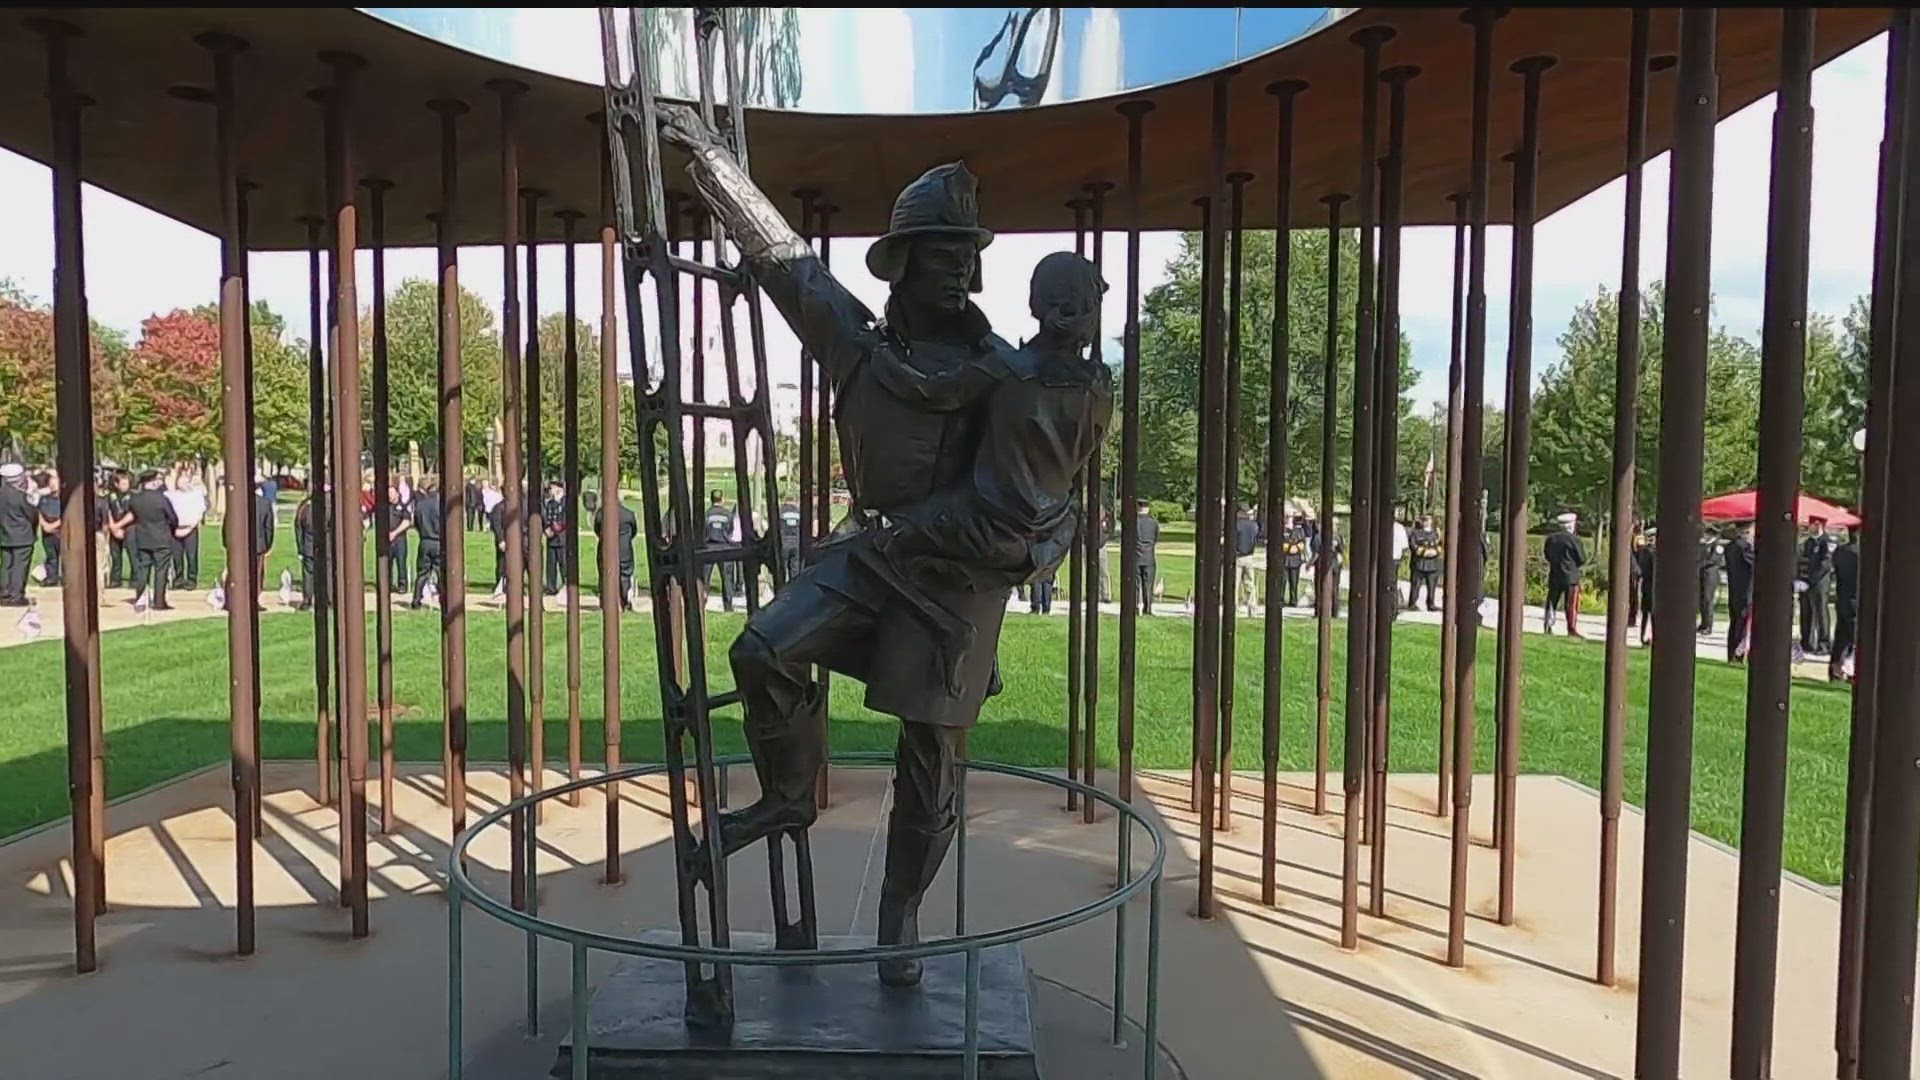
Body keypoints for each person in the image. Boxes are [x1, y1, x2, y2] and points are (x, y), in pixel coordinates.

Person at [659, 111, 1032, 987]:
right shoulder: (856, 345)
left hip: (957, 584)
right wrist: (707, 157)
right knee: (762, 650)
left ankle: (899, 913)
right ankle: (790, 792)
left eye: (969, 257)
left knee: (930, 759)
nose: (963, 272)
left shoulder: (1006, 377)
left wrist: (1019, 552)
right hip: (871, 557)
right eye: (944, 256)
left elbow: (1037, 496)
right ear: (902, 264)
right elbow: (781, 256)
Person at [129, 469, 180, 609]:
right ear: (151, 482)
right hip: (161, 538)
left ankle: (140, 599)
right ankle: (159, 602)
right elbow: (173, 518)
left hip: (143, 538)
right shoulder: (161, 499)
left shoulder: (135, 499)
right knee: (161, 570)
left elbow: (134, 515)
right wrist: (172, 530)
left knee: (143, 569)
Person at [585, 489, 638, 610]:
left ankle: (605, 601)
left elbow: (597, 530)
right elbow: (634, 531)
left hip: (605, 549)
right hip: (625, 550)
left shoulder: (600, 514)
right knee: (624, 575)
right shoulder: (629, 515)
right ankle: (624, 600)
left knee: (604, 574)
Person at [1542, 511, 1587, 637]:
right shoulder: (1574, 540)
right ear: (1571, 525)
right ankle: (1571, 629)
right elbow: (1582, 558)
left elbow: (1547, 555)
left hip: (1555, 574)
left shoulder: (1551, 539)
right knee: (1571, 605)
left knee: (1552, 602)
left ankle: (1548, 625)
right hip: (1571, 576)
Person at [165, 466, 208, 590]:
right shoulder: (171, 495)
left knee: (191, 555)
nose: (182, 482)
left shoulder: (195, 494)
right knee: (176, 556)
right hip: (175, 530)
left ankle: (191, 580)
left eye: (185, 479)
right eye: (180, 479)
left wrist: (189, 528)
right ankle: (178, 579)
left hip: (190, 529)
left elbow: (200, 511)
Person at [1798, 517, 1835, 656]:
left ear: (1819, 525)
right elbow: (1802, 560)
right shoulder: (1808, 542)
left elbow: (1825, 564)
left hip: (1819, 584)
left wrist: (1811, 580)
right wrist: (1801, 578)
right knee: (1806, 613)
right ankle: (1806, 642)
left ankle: (1823, 644)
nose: (1809, 527)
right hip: (1806, 583)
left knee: (1820, 613)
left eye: (1812, 525)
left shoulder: (1827, 542)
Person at [0, 463, 36, 606]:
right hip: (22, 536)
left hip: (5, 535)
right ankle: (16, 595)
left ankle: (4, 593)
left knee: (6, 565)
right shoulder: (21, 496)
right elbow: (32, 514)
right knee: (19, 566)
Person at [1831, 525, 1860, 681]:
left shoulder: (1840, 551)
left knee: (1841, 636)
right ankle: (1850, 670)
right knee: (1854, 638)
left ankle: (1835, 669)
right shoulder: (1861, 554)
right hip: (1856, 598)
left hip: (1842, 597)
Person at [1724, 521, 1756, 663]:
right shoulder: (1742, 548)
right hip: (1744, 592)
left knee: (1736, 623)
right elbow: (1753, 564)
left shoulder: (1731, 546)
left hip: (1736, 591)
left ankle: (1733, 653)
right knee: (1741, 624)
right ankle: (1737, 654)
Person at [411, 476, 444, 609]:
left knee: (422, 573)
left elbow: (416, 523)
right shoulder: (439, 505)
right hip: (437, 541)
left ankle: (416, 599)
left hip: (424, 540)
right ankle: (444, 598)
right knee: (440, 571)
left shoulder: (420, 505)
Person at [293, 485, 328, 610]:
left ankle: (307, 599)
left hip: (308, 547)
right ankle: (328, 599)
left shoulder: (304, 508)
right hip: (324, 547)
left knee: (309, 574)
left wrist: (301, 548)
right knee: (327, 572)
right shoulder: (326, 507)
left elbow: (298, 528)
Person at [703, 489, 738, 612]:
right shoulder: (728, 514)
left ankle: (702, 603)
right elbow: (730, 530)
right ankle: (728, 606)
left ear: (711, 499)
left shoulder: (706, 514)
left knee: (704, 578)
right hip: (724, 548)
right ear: (722, 499)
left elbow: (703, 531)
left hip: (709, 548)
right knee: (727, 578)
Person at [103, 469, 133, 588]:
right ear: (116, 484)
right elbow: (108, 510)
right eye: (123, 483)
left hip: (129, 528)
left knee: (133, 555)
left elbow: (132, 513)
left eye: (127, 483)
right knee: (115, 556)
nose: (126, 486)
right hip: (114, 528)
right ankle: (116, 579)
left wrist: (119, 526)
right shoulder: (110, 496)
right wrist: (113, 526)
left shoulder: (132, 496)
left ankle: (135, 579)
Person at [385, 479, 415, 595]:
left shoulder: (403, 506)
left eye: (392, 493)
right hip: (387, 539)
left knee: (401, 562)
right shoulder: (386, 507)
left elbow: (407, 521)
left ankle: (402, 585)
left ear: (397, 493)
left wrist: (395, 533)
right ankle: (388, 584)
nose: (390, 496)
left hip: (399, 539)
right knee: (387, 563)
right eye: (389, 493)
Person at [1407, 514, 1442, 611]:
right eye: (1424, 520)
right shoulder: (1416, 533)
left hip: (1433, 564)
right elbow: (1413, 546)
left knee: (1431, 586)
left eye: (1428, 520)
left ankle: (1431, 604)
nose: (1426, 522)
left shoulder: (1437, 533)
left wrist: (1435, 552)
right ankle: (1412, 603)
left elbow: (1441, 545)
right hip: (1419, 563)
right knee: (1416, 585)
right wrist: (1425, 552)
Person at [33, 470, 61, 587]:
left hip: (60, 532)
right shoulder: (44, 499)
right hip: (47, 533)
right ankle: (51, 578)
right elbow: (38, 512)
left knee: (65, 556)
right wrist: (44, 524)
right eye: (51, 483)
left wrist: (53, 526)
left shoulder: (64, 499)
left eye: (55, 482)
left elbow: (66, 515)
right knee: (51, 556)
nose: (53, 485)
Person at [543, 478, 570, 595]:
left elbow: (565, 520)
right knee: (551, 564)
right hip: (551, 539)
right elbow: (547, 518)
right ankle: (551, 587)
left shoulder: (566, 503)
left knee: (564, 563)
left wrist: (554, 530)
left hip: (562, 538)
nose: (550, 490)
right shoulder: (550, 503)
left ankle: (566, 584)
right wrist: (546, 529)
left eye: (552, 488)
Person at [1631, 525, 1656, 646]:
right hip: (1654, 585)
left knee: (1645, 613)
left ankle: (1642, 636)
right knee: (1653, 614)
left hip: (1646, 584)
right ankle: (1652, 637)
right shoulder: (1654, 554)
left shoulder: (1642, 552)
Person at [1133, 498, 1159, 616]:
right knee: (1148, 584)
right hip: (1149, 557)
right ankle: (1147, 608)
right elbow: (1155, 539)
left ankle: (1134, 607)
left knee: (1135, 584)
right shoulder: (1153, 523)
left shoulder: (1134, 522)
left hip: (1136, 557)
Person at [1280, 514, 1311, 608]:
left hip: (1295, 560)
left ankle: (1293, 600)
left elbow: (1300, 546)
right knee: (1283, 581)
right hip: (1285, 560)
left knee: (1293, 582)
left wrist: (1290, 547)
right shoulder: (1285, 530)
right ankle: (1281, 599)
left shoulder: (1300, 532)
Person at [1697, 528, 1723, 635]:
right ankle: (1703, 623)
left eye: (1707, 534)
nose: (1705, 535)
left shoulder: (1717, 546)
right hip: (1701, 574)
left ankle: (1708, 626)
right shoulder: (1703, 545)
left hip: (1710, 576)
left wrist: (1699, 565)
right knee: (1701, 600)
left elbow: (1713, 560)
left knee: (1708, 600)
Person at [778, 498, 803, 582]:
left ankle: (782, 588)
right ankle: (794, 588)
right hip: (796, 542)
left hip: (784, 542)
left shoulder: (781, 511)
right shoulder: (798, 512)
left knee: (782, 569)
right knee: (795, 568)